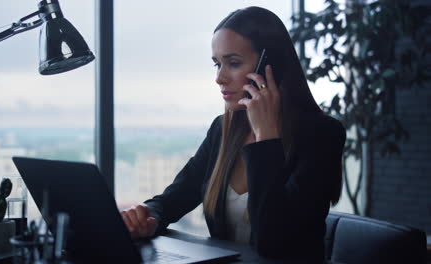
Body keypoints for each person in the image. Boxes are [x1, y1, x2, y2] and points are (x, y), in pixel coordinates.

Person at [121, 6, 346, 262]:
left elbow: (275, 242)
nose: (219, 78)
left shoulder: (322, 135)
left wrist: (267, 136)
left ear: (269, 65)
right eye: (217, 64)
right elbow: (175, 197)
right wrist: (148, 215)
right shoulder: (223, 129)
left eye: (233, 63)